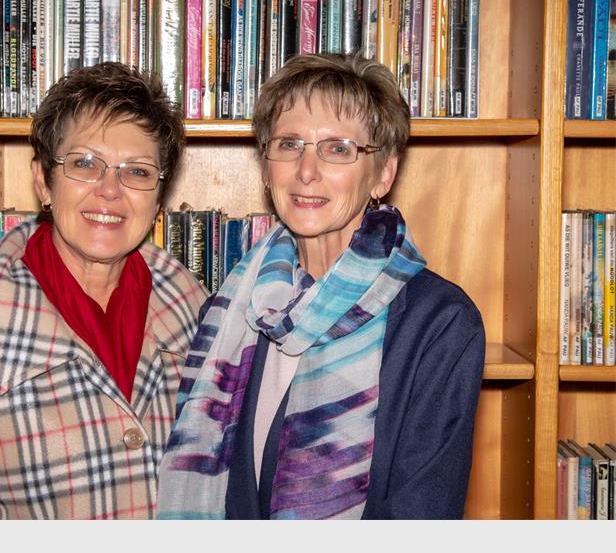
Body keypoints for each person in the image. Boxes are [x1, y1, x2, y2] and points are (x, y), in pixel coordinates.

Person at [157, 52, 485, 520]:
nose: (306, 170)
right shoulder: (229, 310)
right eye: (289, 144)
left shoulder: (441, 324)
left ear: (383, 174)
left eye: (338, 149)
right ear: (267, 166)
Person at [0, 62, 208, 519]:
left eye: (137, 172)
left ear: (158, 198)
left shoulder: (201, 315)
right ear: (43, 180)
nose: (110, 191)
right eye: (84, 164)